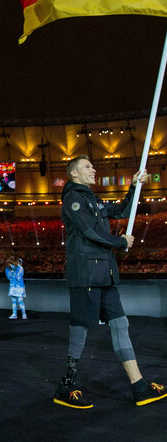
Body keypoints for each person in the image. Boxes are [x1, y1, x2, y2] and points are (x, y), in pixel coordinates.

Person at [54, 155, 166, 409]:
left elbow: (123, 210)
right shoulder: (73, 200)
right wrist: (121, 242)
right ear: (74, 174)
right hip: (85, 276)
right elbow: (90, 232)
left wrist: (134, 186)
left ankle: (138, 386)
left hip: (104, 274)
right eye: (87, 167)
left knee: (120, 324)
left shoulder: (92, 199)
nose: (93, 169)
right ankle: (67, 386)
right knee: (80, 328)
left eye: (92, 166)